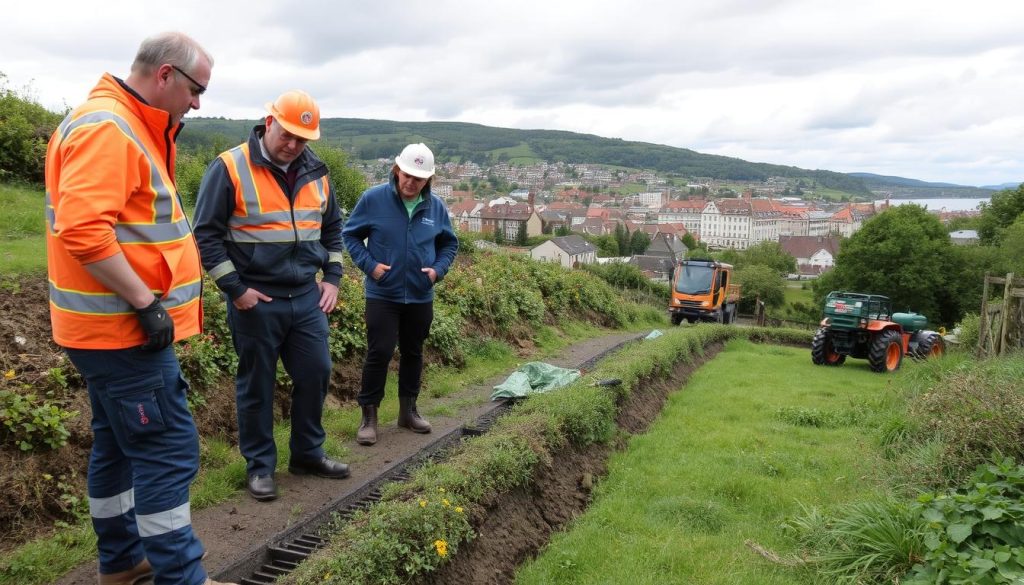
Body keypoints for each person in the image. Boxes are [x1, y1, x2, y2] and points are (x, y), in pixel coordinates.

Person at [45, 32, 235, 585]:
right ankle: (181, 577)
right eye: (196, 90)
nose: (198, 103)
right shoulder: (111, 127)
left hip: (103, 333)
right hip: (124, 334)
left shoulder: (119, 121)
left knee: (118, 447)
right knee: (167, 452)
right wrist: (146, 303)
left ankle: (124, 563)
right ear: (166, 75)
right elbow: (82, 228)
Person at [193, 90, 349, 503]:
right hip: (256, 300)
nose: (293, 145)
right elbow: (205, 236)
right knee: (257, 385)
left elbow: (333, 230)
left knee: (316, 372)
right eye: (287, 134)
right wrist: (236, 290)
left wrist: (332, 277)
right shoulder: (229, 167)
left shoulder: (318, 173)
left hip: (305, 296)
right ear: (268, 123)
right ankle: (260, 466)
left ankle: (308, 455)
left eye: (302, 139)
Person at [342, 143, 459, 446]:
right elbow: (350, 235)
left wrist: (437, 271)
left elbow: (449, 244)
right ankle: (369, 417)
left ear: (428, 180)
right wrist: (370, 266)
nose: (411, 183)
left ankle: (408, 412)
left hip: (420, 295)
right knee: (379, 352)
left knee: (414, 352)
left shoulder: (436, 207)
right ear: (396, 170)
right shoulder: (373, 199)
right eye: (407, 175)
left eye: (418, 179)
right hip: (383, 293)